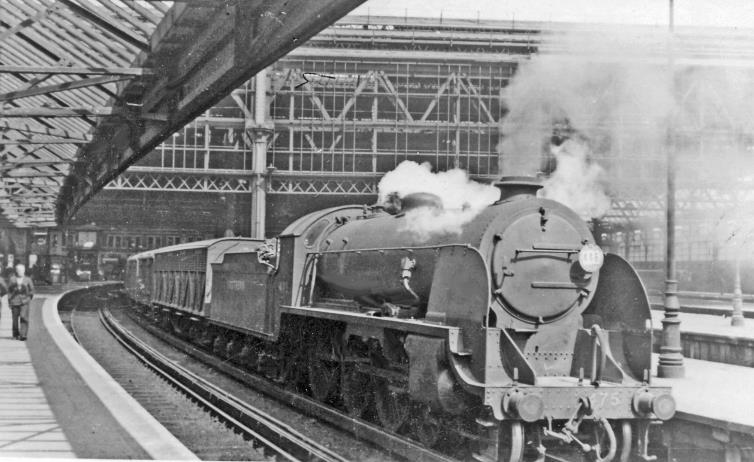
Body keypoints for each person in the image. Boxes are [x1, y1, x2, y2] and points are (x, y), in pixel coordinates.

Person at [9, 263, 34, 341]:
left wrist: (28, 299)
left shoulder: (28, 279)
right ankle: (15, 334)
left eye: (22, 270)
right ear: (16, 271)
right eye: (19, 270)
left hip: (24, 302)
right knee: (15, 319)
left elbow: (32, 290)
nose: (21, 272)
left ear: (24, 271)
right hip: (14, 301)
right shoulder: (12, 279)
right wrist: (9, 301)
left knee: (24, 317)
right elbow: (9, 291)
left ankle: (23, 335)